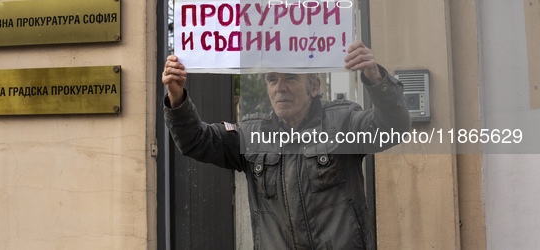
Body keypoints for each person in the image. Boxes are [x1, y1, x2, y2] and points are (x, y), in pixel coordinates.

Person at [162, 40, 411, 250]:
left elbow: (394, 126)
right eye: (272, 80)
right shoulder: (253, 134)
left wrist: (375, 77)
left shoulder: (342, 122)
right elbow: (196, 140)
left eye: (290, 77)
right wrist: (176, 97)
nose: (280, 88)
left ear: (314, 86)